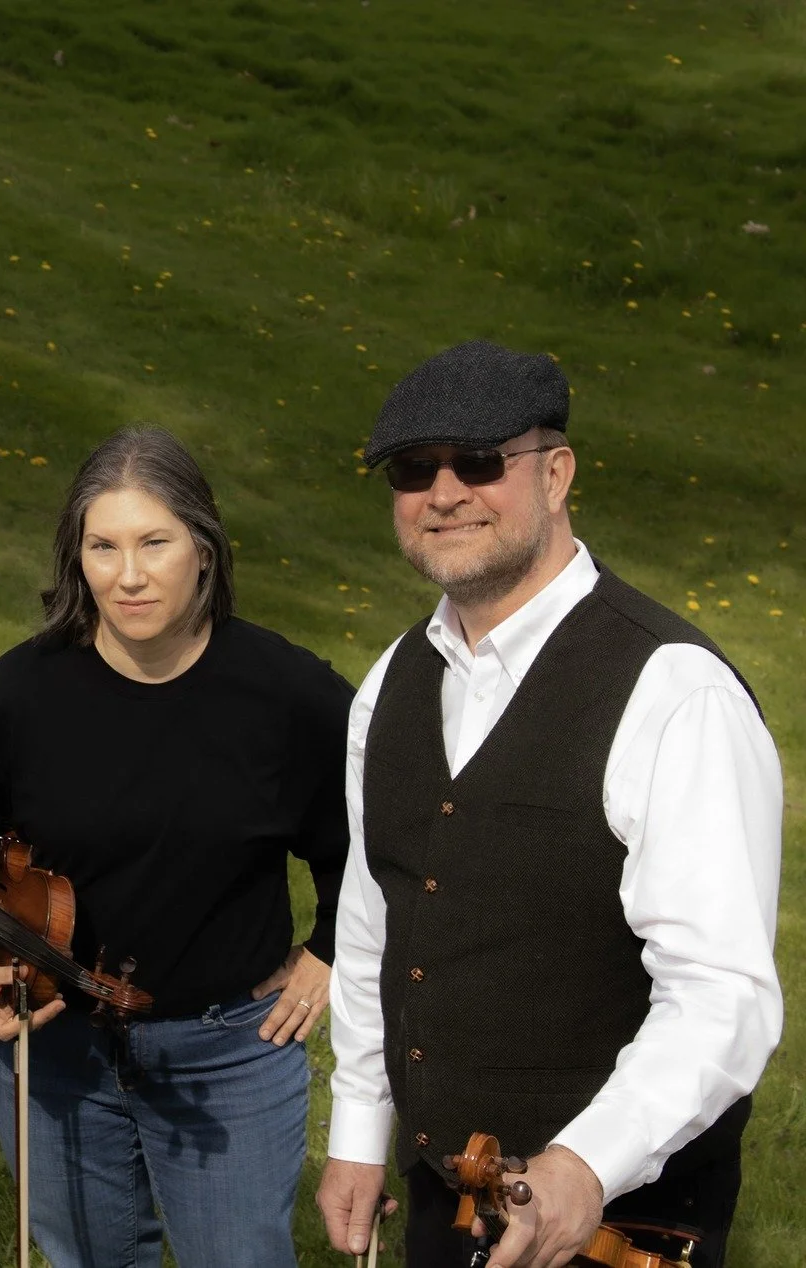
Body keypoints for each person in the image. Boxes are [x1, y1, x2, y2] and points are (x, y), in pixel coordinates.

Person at [317, 340, 784, 1268]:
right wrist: (359, 1130)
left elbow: (721, 994)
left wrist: (586, 1161)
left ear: (557, 473)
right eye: (413, 470)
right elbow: (374, 928)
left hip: (622, 1225)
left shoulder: (674, 690)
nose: (444, 493)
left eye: (478, 461)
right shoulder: (391, 683)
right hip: (444, 1198)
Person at [0, 426, 352, 1268]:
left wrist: (330, 953)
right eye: (104, 547)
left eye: (154, 543)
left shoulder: (287, 695)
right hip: (50, 1047)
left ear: (204, 550)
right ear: (77, 557)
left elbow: (383, 843)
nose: (128, 575)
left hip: (227, 1054)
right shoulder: (23, 694)